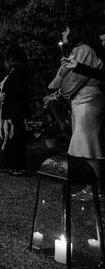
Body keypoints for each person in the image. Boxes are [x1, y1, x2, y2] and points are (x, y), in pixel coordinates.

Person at [45, 18, 105, 195]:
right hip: (82, 101)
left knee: (89, 145)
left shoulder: (84, 50)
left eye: (66, 30)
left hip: (89, 101)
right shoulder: (78, 50)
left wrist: (57, 92)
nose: (63, 34)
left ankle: (96, 189)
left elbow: (74, 80)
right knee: (84, 145)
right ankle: (91, 186)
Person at [0, 45, 29, 176]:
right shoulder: (15, 72)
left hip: (16, 111)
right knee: (12, 138)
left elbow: (20, 91)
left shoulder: (19, 72)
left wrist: (6, 95)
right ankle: (11, 164)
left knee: (16, 138)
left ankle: (18, 166)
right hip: (13, 109)